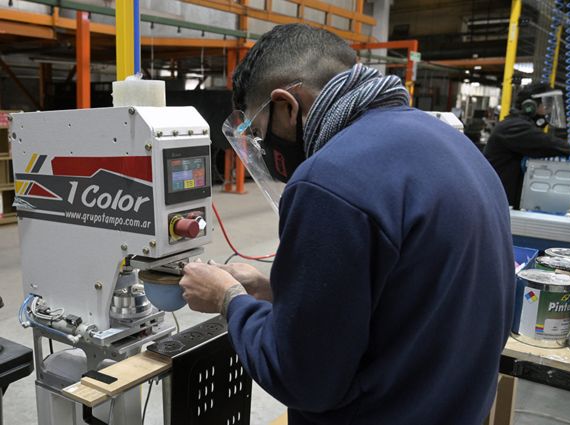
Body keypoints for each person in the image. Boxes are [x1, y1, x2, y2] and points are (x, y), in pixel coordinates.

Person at [179, 24, 514, 425]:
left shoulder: (328, 180)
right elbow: (404, 299)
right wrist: (276, 291)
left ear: (287, 106)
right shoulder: (456, 148)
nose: (262, 150)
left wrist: (228, 299)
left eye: (258, 132)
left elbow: (302, 378)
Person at [484, 82, 570, 207]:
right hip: (496, 200)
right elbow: (547, 143)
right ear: (530, 105)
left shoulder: (519, 124)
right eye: (546, 104)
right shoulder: (513, 127)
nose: (549, 109)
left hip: (504, 198)